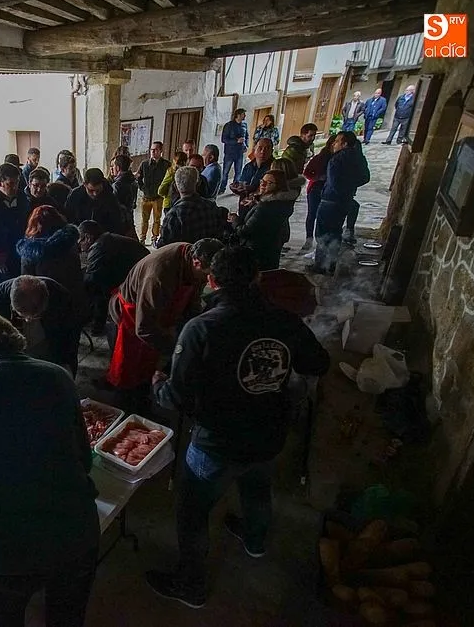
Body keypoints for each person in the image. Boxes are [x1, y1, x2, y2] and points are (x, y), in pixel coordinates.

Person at [147, 245, 330, 608]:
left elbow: (177, 397)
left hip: (217, 442)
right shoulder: (284, 320)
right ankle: (255, 540)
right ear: (257, 278)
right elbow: (318, 364)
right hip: (270, 433)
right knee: (258, 488)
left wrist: (157, 385)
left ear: (211, 281)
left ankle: (192, 585)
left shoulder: (201, 328)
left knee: (194, 511)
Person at [0, 314, 99, 626]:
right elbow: (85, 457)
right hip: (75, 533)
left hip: (6, 546)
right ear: (18, 343)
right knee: (67, 618)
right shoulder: (58, 376)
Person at [104, 239, 224, 413]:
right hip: (133, 317)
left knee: (148, 369)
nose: (209, 281)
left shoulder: (191, 256)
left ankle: (143, 402)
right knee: (128, 376)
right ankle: (127, 413)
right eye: (207, 276)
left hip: (158, 315)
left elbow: (193, 300)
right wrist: (178, 352)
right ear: (196, 263)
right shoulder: (159, 275)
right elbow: (144, 328)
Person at [0, 275, 80, 375]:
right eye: (22, 316)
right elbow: (0, 340)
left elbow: (71, 338)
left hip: (49, 340)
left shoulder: (61, 297)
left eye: (35, 316)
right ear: (12, 306)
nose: (28, 321)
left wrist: (66, 372)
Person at [313, 131, 370, 274]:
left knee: (323, 234)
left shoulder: (336, 159)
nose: (334, 143)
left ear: (344, 144)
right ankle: (330, 265)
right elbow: (365, 177)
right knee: (335, 233)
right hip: (345, 201)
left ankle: (321, 266)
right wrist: (350, 187)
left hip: (331, 200)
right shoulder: (359, 158)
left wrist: (340, 191)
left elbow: (333, 183)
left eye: (337, 141)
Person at [16, 205, 85, 321]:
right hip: (72, 299)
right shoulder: (69, 242)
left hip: (44, 305)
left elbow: (26, 282)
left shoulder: (30, 252)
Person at [79, 220, 148, 334]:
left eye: (80, 240)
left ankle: (98, 326)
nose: (79, 245)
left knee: (97, 289)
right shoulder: (108, 239)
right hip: (138, 273)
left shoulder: (100, 247)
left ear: (88, 237)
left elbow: (91, 279)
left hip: (138, 280)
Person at [233, 170, 296, 271]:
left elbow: (244, 231)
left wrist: (235, 220)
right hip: (271, 251)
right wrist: (256, 203)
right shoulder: (282, 202)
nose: (263, 184)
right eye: (262, 181)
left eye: (269, 183)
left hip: (257, 253)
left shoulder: (265, 207)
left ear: (278, 186)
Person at [159, 167, 224, 248]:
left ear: (175, 187)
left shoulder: (173, 215)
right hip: (208, 256)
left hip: (184, 259)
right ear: (198, 184)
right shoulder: (211, 206)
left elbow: (163, 247)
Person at [0, 163, 33, 278]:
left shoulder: (24, 199)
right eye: (10, 184)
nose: (15, 187)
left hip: (22, 251)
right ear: (0, 183)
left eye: (17, 183)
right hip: (2, 255)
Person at [300, 133, 338, 253]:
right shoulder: (320, 158)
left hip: (331, 192)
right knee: (312, 214)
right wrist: (318, 178)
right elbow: (307, 172)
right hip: (316, 189)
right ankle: (309, 239)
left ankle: (322, 244)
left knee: (326, 217)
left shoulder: (340, 159)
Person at [64, 168, 125, 234]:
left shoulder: (110, 198)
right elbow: (68, 219)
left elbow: (116, 224)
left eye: (98, 190)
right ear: (84, 184)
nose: (95, 194)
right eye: (91, 190)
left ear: (102, 183)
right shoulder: (75, 196)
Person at [136, 141, 172, 244]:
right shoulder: (144, 164)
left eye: (156, 149)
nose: (153, 151)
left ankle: (154, 238)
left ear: (161, 151)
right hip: (146, 196)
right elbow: (138, 177)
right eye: (152, 149)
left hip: (158, 197)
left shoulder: (166, 164)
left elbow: (169, 179)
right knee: (144, 219)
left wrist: (164, 192)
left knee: (157, 219)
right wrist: (142, 188)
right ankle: (142, 238)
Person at [232, 138, 275, 218]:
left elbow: (273, 193)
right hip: (244, 207)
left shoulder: (274, 168)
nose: (263, 151)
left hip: (261, 212)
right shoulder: (248, 166)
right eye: (260, 148)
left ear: (272, 151)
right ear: (254, 149)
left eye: (267, 149)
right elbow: (242, 185)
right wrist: (236, 188)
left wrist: (253, 190)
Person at [220, 108, 249, 194]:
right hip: (230, 152)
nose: (245, 116)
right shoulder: (229, 125)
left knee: (238, 172)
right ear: (238, 115)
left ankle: (235, 189)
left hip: (240, 152)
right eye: (243, 114)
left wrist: (246, 145)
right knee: (225, 172)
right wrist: (236, 141)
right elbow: (224, 139)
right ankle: (222, 188)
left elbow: (247, 136)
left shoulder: (244, 125)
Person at [111, 154, 138, 233]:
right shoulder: (133, 182)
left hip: (120, 220)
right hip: (130, 217)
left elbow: (114, 205)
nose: (112, 168)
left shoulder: (117, 185)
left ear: (118, 168)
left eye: (113, 166)